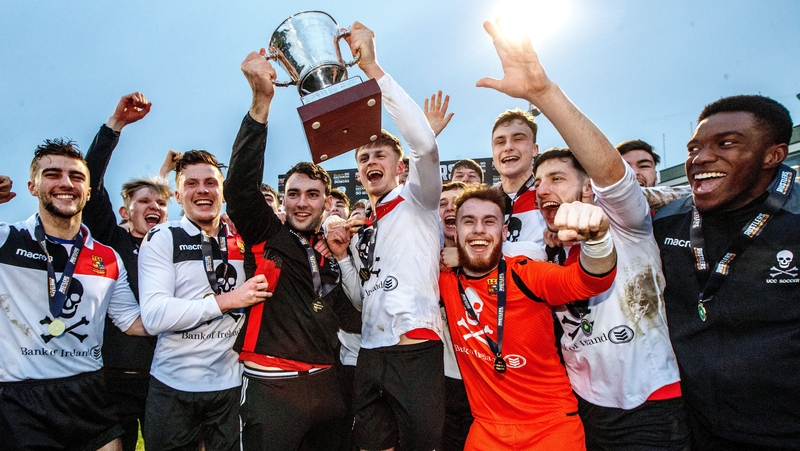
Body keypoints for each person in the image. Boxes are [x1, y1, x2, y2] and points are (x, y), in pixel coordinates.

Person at [476, 19, 688, 449]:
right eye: (541, 182)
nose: (545, 189)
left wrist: (543, 93)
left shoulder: (624, 222)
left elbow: (613, 174)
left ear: (587, 187)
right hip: (584, 403)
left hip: (648, 405)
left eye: (557, 177)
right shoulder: (544, 246)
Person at [225, 48, 358, 450]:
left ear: (325, 201)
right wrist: (261, 105)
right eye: (294, 194)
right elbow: (239, 188)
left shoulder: (332, 254)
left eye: (312, 195)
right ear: (282, 201)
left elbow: (355, 317)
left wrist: (344, 258)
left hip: (328, 386)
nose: (302, 202)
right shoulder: (267, 233)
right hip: (271, 387)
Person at [653, 95, 800, 450]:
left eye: (727, 143)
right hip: (696, 428)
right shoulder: (667, 222)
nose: (701, 158)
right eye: (694, 147)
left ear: (773, 155)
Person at [328, 22, 445, 451]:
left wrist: (374, 69)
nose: (370, 160)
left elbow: (426, 148)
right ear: (358, 172)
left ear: (399, 166)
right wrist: (342, 258)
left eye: (380, 153)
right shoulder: (365, 228)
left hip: (413, 349)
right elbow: (362, 299)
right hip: (369, 353)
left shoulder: (419, 198)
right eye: (363, 157)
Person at [439, 185, 618, 450]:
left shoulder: (526, 274)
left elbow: (590, 281)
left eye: (489, 222)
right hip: (487, 429)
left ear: (504, 232)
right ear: (457, 230)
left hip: (550, 427)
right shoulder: (445, 281)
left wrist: (598, 240)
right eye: (469, 221)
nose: (478, 229)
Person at [0, 139, 147, 451]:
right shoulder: (6, 240)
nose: (66, 183)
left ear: (88, 191)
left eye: (77, 177)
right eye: (52, 174)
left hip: (88, 391)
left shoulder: (106, 257)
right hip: (20, 397)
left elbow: (133, 322)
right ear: (32, 186)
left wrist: (212, 310)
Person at [138, 150, 270, 450]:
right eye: (191, 183)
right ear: (177, 193)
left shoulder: (243, 239)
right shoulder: (163, 237)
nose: (202, 190)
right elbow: (155, 316)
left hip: (231, 386)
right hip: (173, 386)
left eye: (211, 183)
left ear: (222, 192)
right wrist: (228, 300)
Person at [82, 92, 173, 451]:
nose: (154, 207)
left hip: (161, 379)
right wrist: (115, 126)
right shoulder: (110, 240)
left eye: (161, 203)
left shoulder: (175, 246)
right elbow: (92, 181)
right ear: (125, 211)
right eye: (144, 201)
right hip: (110, 379)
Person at [490, 107, 547, 245]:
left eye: (518, 139)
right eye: (500, 142)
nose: (508, 147)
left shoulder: (551, 195)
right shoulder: (484, 201)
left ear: (535, 149)